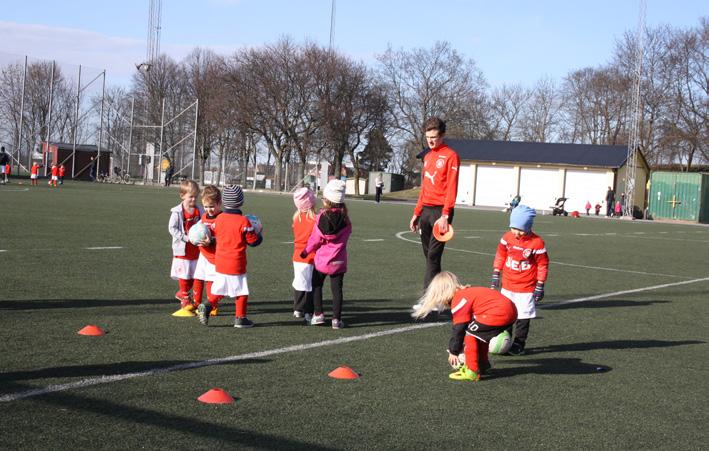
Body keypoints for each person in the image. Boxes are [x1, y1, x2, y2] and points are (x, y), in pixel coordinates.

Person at [412, 272, 517, 382]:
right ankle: (482, 365)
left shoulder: (458, 299)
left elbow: (459, 329)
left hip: (499, 312)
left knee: (470, 334)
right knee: (479, 335)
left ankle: (472, 370)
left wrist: (454, 351)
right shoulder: (466, 293)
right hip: (511, 310)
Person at [490, 205, 549, 355]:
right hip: (508, 284)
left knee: (523, 317)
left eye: (521, 229)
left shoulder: (537, 243)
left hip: (526, 287)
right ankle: (506, 339)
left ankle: (519, 343)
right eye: (514, 228)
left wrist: (540, 285)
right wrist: (496, 272)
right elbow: (500, 255)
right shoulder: (507, 238)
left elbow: (543, 264)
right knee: (506, 314)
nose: (516, 233)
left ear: (529, 227)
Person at [409, 117, 460, 289]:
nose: (430, 141)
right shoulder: (428, 157)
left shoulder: (451, 156)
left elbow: (452, 187)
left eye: (434, 137)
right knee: (430, 257)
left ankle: (428, 299)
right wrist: (416, 213)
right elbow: (424, 188)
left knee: (433, 256)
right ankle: (441, 295)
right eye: (428, 137)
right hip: (426, 211)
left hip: (440, 213)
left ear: (443, 135)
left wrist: (446, 215)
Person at [300, 179, 352, 329]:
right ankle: (336, 319)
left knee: (316, 285)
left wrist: (305, 251)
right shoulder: (346, 220)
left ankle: (319, 314)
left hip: (322, 261)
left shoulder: (321, 218)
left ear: (327, 200)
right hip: (339, 261)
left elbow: (315, 239)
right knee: (337, 291)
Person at [210, 185, 263, 328]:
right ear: (241, 202)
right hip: (236, 263)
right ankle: (240, 318)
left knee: (219, 289)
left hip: (220, 262)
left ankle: (208, 305)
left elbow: (214, 235)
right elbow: (252, 242)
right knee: (241, 291)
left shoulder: (218, 219)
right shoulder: (243, 221)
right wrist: (259, 235)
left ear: (223, 201)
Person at [168, 180, 203, 311]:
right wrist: (186, 238)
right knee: (184, 275)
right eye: (190, 197)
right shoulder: (177, 212)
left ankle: (182, 293)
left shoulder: (200, 210)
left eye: (195, 196)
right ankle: (185, 298)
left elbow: (204, 224)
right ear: (182, 196)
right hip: (182, 250)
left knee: (194, 276)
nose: (193, 199)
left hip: (197, 250)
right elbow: (172, 228)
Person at [194, 185, 224, 326]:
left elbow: (224, 237)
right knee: (199, 277)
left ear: (219, 203)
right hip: (203, 255)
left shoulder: (223, 218)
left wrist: (212, 240)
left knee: (211, 281)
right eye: (205, 206)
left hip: (214, 257)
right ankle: (197, 303)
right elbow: (197, 229)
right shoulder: (204, 216)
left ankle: (211, 306)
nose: (208, 210)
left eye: (211, 206)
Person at [291, 187, 317, 321]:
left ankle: (297, 309)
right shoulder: (315, 219)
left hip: (297, 255)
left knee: (299, 283)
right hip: (310, 256)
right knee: (310, 285)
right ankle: (308, 311)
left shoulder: (296, 218)